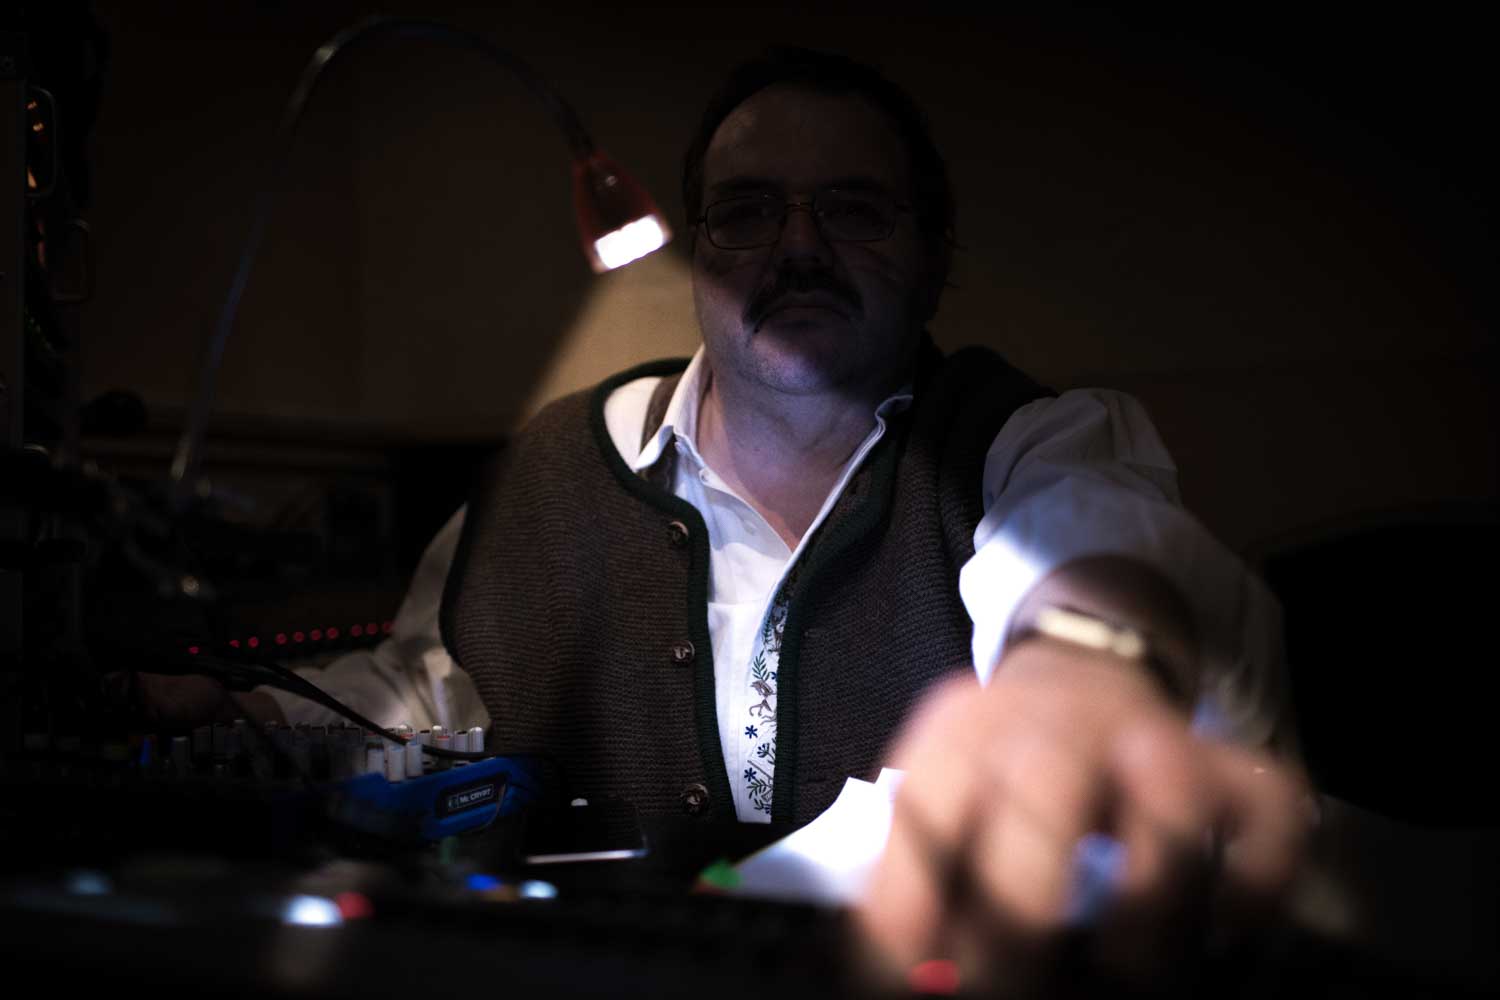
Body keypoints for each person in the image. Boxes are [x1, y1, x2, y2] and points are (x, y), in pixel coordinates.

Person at [139, 47, 1310, 990]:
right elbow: (426, 690)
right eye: (747, 213)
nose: (797, 249)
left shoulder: (1024, 441)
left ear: (931, 253)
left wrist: (1082, 661)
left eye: (853, 210)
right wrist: (253, 717)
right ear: (699, 255)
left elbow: (1100, 545)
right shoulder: (555, 464)